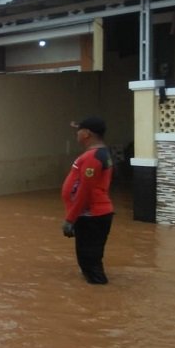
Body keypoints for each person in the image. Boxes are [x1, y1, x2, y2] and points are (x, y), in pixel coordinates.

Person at [61, 116, 114, 285]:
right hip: (91, 214)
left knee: (90, 263)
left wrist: (70, 218)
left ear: (86, 134)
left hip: (91, 215)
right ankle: (96, 300)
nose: (76, 134)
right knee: (89, 260)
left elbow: (85, 189)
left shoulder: (93, 157)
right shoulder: (99, 153)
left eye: (78, 130)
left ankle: (100, 302)